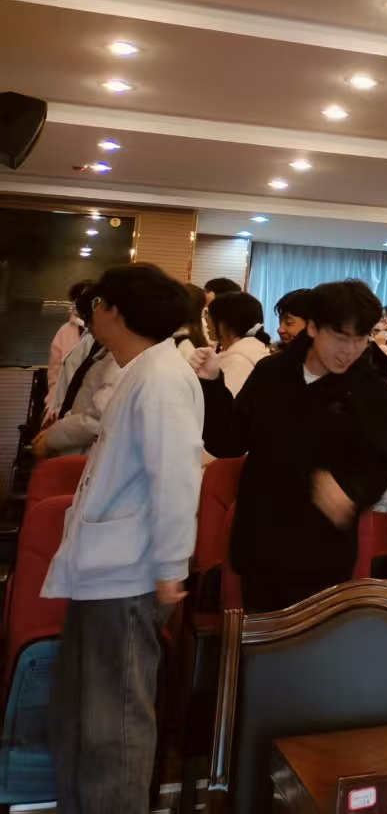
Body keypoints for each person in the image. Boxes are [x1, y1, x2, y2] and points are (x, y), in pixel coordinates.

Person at [45, 264, 203, 814]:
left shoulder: (161, 378)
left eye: (98, 304)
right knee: (85, 713)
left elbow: (176, 477)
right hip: (106, 568)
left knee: (112, 721)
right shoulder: (141, 369)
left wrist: (171, 567)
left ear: (115, 311)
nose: (93, 313)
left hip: (129, 574)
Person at [201, 280, 387, 612]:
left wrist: (351, 492)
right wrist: (212, 385)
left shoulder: (373, 392)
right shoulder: (271, 373)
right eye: (340, 337)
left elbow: (381, 464)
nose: (350, 350)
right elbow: (230, 442)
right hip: (261, 540)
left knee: (316, 639)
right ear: (312, 327)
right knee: (262, 635)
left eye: (360, 339)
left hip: (322, 549)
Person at [36, 283, 123, 457]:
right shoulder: (89, 341)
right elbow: (59, 377)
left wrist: (56, 433)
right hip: (68, 425)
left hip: (84, 440)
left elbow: (97, 417)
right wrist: (53, 411)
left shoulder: (118, 354)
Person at [201, 291, 272, 394]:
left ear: (228, 324)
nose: (207, 323)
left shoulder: (239, 361)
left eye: (212, 318)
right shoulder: (241, 351)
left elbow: (224, 400)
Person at [45, 278, 96, 401]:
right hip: (63, 401)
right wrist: (52, 404)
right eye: (77, 300)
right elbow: (55, 374)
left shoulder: (105, 330)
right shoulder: (65, 331)